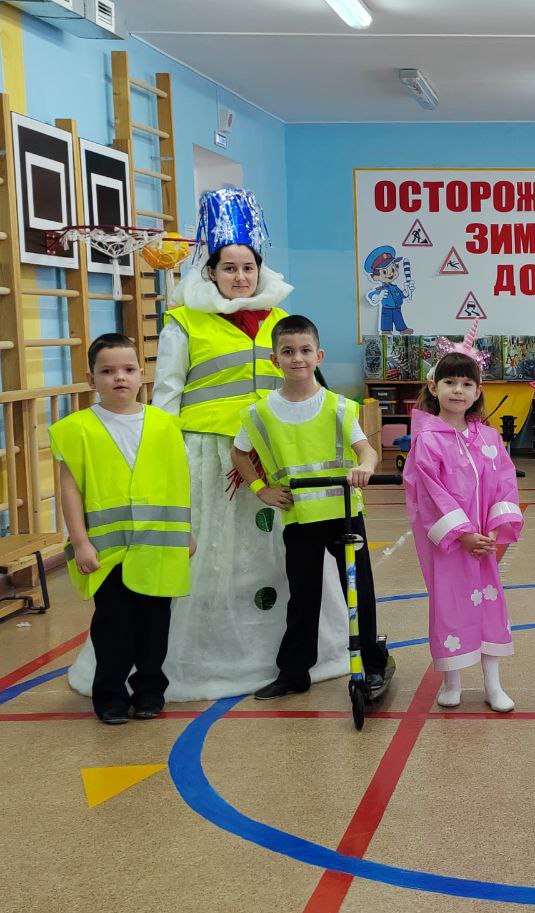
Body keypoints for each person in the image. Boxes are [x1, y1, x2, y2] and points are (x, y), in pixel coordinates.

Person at [66, 187, 348, 702]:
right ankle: (200, 656)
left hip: (274, 456)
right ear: (211, 271)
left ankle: (294, 653)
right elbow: (168, 393)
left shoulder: (281, 323)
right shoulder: (184, 321)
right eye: (229, 268)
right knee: (211, 555)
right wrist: (162, 456)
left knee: (283, 554)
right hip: (208, 455)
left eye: (248, 267)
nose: (240, 277)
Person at [231, 315, 393, 700]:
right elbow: (238, 453)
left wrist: (365, 467)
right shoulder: (260, 412)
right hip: (299, 518)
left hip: (344, 514)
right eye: (288, 352)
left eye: (305, 350)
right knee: (303, 596)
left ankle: (372, 665)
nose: (297, 358)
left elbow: (366, 451)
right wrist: (261, 489)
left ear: (318, 356)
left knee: (359, 592)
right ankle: (294, 672)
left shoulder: (338, 407)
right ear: (275, 360)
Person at [50, 334, 193, 723]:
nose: (119, 378)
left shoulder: (165, 425)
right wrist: (81, 542)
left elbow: (179, 483)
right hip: (108, 551)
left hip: (158, 548)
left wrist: (187, 531)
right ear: (91, 378)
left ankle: (149, 691)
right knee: (113, 627)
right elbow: (70, 491)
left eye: (128, 369)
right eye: (108, 371)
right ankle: (110, 695)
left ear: (141, 374)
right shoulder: (76, 429)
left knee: (154, 625)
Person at [403, 350, 523, 711]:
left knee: (489, 605)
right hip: (451, 545)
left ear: (478, 391)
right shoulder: (428, 439)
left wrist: (494, 530)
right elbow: (429, 494)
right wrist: (463, 534)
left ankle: (493, 684)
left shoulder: (488, 438)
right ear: (433, 387)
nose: (458, 390)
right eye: (450, 382)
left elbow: (504, 484)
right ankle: (452, 681)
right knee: (450, 606)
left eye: (467, 383)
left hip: (484, 543)